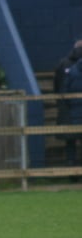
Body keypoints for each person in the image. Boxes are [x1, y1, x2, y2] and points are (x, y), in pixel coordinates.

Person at [53, 41, 82, 175]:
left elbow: (59, 87)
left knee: (70, 140)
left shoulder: (64, 64)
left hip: (70, 110)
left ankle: (71, 167)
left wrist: (62, 103)